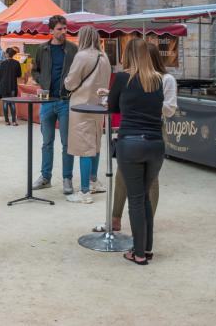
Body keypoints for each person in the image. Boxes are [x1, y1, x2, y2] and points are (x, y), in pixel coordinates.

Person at [108, 38, 165, 265]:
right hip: (155, 144)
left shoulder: (123, 78)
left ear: (128, 55)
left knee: (136, 199)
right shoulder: (159, 80)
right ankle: (147, 248)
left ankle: (138, 252)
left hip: (131, 142)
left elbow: (112, 108)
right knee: (145, 199)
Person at [63, 26, 112, 204]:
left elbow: (70, 83)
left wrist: (67, 81)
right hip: (98, 106)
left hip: (81, 107)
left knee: (84, 148)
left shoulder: (81, 55)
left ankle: (84, 192)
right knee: (95, 145)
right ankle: (93, 181)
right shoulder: (104, 56)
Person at [32, 16, 77, 194]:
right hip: (46, 101)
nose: (63, 31)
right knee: (47, 142)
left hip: (66, 100)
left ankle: (67, 179)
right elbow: (35, 69)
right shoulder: (42, 49)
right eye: (59, 29)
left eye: (65, 28)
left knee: (67, 143)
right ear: (51, 31)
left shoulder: (73, 49)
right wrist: (40, 80)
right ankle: (45, 177)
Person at [0, 47, 22, 125]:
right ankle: (14, 121)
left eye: (5, 53)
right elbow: (19, 75)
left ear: (7, 54)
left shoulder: (2, 64)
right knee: (12, 103)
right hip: (12, 86)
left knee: (5, 103)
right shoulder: (17, 63)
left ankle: (6, 121)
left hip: (4, 86)